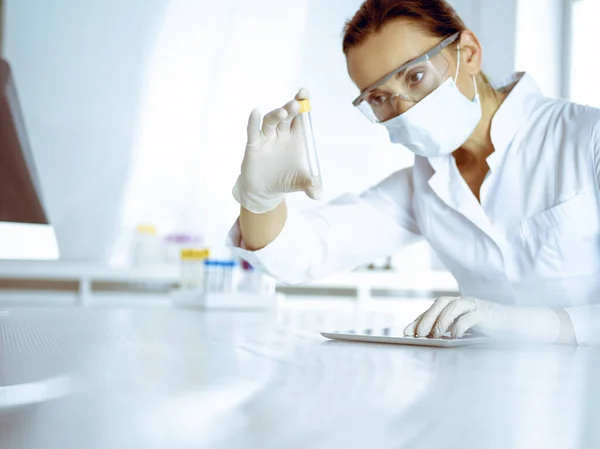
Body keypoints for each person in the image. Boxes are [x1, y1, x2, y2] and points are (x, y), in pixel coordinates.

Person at [228, 0, 600, 346]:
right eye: (378, 98)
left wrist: (533, 325)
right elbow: (302, 253)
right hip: (492, 397)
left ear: (467, 53)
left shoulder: (587, 137)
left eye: (415, 76)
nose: (402, 109)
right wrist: (260, 197)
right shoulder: (424, 189)